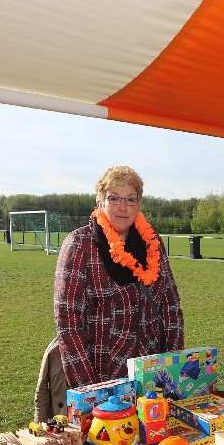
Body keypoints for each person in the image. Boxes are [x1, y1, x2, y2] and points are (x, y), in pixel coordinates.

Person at [50, 166, 185, 396]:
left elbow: (170, 305)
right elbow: (68, 321)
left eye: (130, 199)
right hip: (104, 377)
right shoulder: (80, 244)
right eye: (113, 198)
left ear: (139, 204)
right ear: (99, 201)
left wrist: (174, 365)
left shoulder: (152, 243)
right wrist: (90, 390)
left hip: (154, 377)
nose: (123, 207)